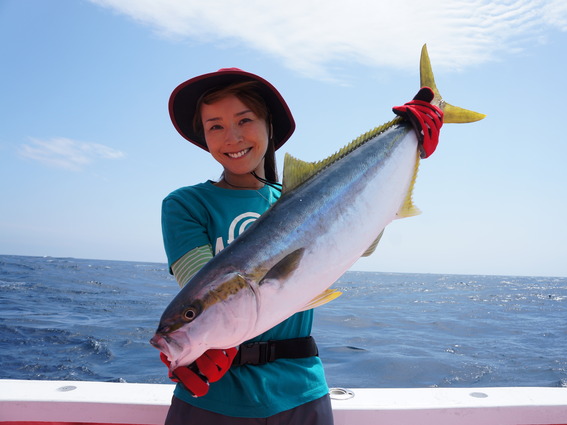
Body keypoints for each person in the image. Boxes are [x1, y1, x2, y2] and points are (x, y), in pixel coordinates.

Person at [159, 67, 443, 425]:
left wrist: (410, 138)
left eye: (244, 120)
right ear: (204, 137)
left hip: (300, 393)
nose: (231, 136)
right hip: (212, 399)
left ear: (268, 126)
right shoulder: (186, 204)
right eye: (215, 125)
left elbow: (360, 239)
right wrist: (195, 341)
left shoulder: (299, 196)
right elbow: (199, 287)